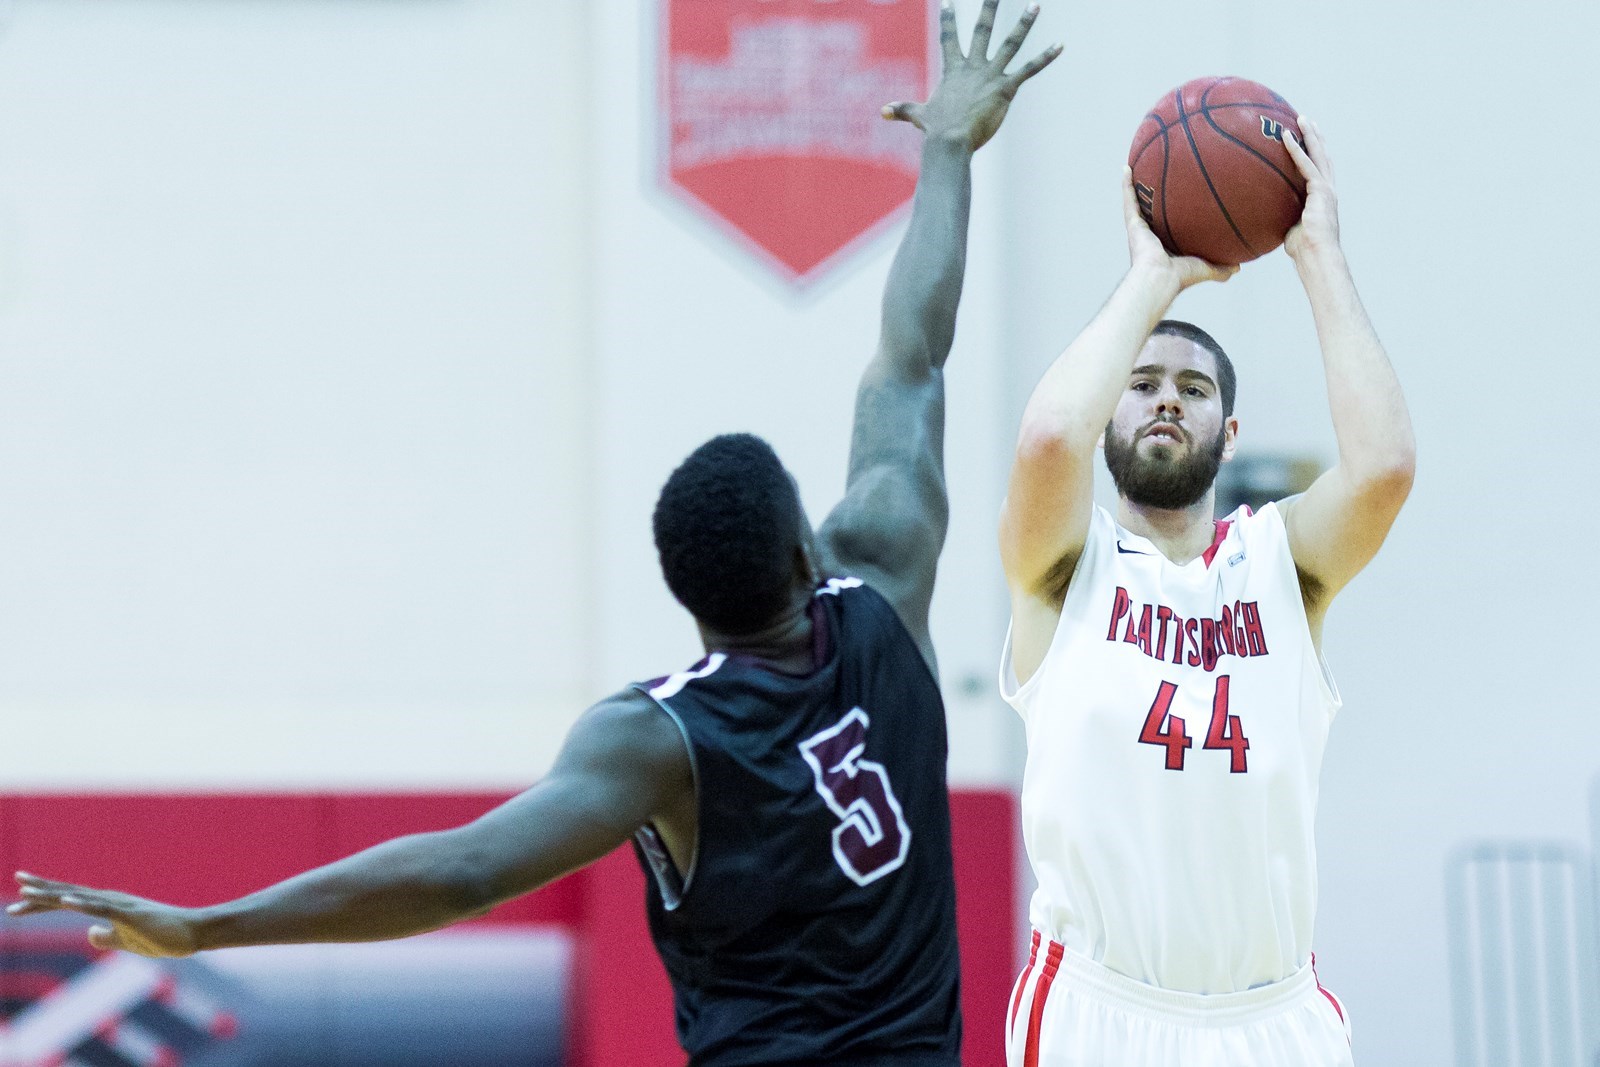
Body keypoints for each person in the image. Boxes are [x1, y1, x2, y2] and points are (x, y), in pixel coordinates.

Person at [9, 4, 1060, 1065]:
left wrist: (208, 924)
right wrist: (945, 148)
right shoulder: (883, 571)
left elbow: (460, 871)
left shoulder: (658, 740)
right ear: (805, 551)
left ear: (688, 604)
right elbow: (911, 357)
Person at [996, 122, 1415, 1066]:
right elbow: (1047, 443)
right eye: (1141, 384)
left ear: (1230, 436)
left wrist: (1317, 253)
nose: (1168, 399)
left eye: (1193, 387)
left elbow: (1384, 465)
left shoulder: (1281, 565)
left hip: (1275, 1017)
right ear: (1112, 415)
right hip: (1101, 1009)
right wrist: (1156, 276)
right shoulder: (1063, 565)